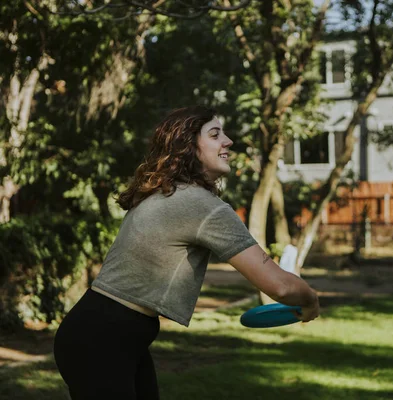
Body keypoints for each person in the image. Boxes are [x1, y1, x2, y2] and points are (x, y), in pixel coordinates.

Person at [53, 106, 320, 400]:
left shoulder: (166, 192)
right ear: (187, 145)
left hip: (105, 333)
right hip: (103, 340)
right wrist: (310, 300)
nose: (228, 141)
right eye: (215, 134)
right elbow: (280, 285)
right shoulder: (200, 204)